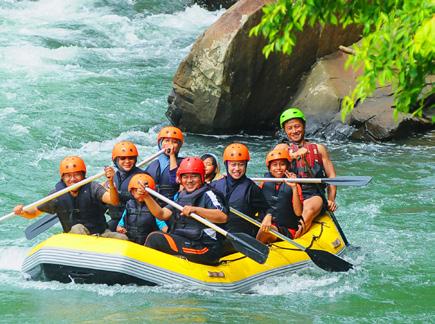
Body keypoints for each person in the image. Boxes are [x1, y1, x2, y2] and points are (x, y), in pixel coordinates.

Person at [14, 156, 127, 239]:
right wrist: (22, 211)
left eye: (77, 175)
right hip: (73, 240)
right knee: (78, 228)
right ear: (62, 178)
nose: (72, 179)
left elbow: (113, 200)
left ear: (83, 176)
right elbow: (33, 212)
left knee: (123, 239)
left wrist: (111, 182)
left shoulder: (93, 187)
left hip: (101, 234)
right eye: (68, 176)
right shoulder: (57, 195)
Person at [143, 157, 228, 265]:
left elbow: (223, 216)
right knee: (156, 237)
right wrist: (146, 197)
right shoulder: (181, 196)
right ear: (181, 178)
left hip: (206, 247)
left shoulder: (209, 194)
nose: (189, 181)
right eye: (185, 177)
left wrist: (196, 210)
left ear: (202, 177)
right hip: (186, 240)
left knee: (155, 238)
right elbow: (162, 214)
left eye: (194, 176)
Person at [279, 107, 337, 238]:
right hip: (289, 192)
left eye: (297, 126)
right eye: (290, 128)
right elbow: (273, 159)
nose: (294, 131)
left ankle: (294, 239)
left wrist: (331, 199)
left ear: (304, 126)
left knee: (308, 209)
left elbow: (331, 176)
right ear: (285, 131)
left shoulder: (319, 149)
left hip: (312, 194)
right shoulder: (282, 147)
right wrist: (294, 155)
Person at [212, 143, 272, 237]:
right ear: (226, 165)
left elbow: (267, 209)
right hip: (216, 234)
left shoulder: (251, 188)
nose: (237, 169)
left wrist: (268, 216)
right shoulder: (215, 185)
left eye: (241, 165)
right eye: (233, 165)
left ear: (246, 165)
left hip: (240, 236)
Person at [256, 148, 303, 243]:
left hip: (286, 228)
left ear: (287, 167)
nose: (278, 168)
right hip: (264, 222)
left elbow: (298, 213)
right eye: (274, 165)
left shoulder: (295, 185)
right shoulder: (264, 183)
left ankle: (253, 251)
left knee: (266, 230)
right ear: (269, 168)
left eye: (282, 164)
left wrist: (294, 188)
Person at [116, 173, 168, 245]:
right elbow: (119, 226)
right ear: (132, 192)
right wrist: (120, 229)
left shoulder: (154, 208)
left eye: (142, 190)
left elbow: (164, 227)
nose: (140, 192)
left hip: (147, 243)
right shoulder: (129, 205)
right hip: (131, 241)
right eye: (136, 190)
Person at [106, 141, 144, 231]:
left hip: (133, 222)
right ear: (116, 160)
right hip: (116, 218)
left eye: (131, 158)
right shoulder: (114, 176)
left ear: (135, 160)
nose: (127, 161)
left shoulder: (141, 176)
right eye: (123, 158)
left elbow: (140, 198)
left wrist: (117, 193)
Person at [145, 126, 184, 205]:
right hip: (153, 204)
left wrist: (172, 155)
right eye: (167, 141)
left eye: (174, 142)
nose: (170, 145)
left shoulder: (184, 163)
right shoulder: (153, 164)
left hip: (172, 205)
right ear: (160, 143)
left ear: (179, 146)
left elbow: (174, 180)